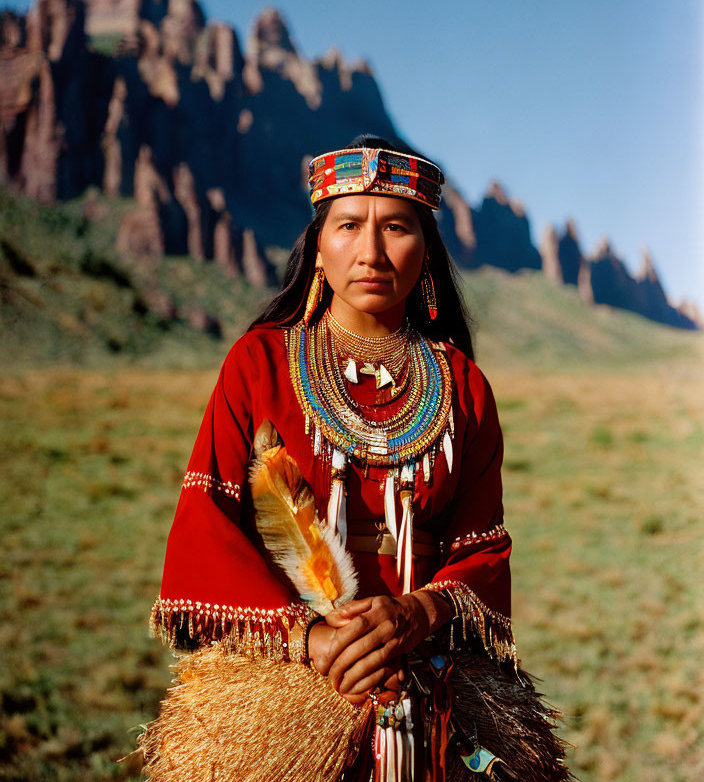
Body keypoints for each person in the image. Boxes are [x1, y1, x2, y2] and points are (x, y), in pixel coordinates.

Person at [148, 135, 570, 781]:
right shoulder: (258, 364)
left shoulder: (463, 383)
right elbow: (209, 519)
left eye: (396, 227)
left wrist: (418, 613)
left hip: (428, 659)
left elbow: (481, 543)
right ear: (319, 248)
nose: (371, 251)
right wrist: (314, 641)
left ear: (425, 252)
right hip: (289, 661)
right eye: (349, 225)